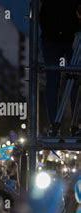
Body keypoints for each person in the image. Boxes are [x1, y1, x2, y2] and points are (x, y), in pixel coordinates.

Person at [40, 0, 81, 136]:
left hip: (54, 36)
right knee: (73, 80)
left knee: (55, 81)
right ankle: (73, 125)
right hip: (66, 35)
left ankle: (55, 125)